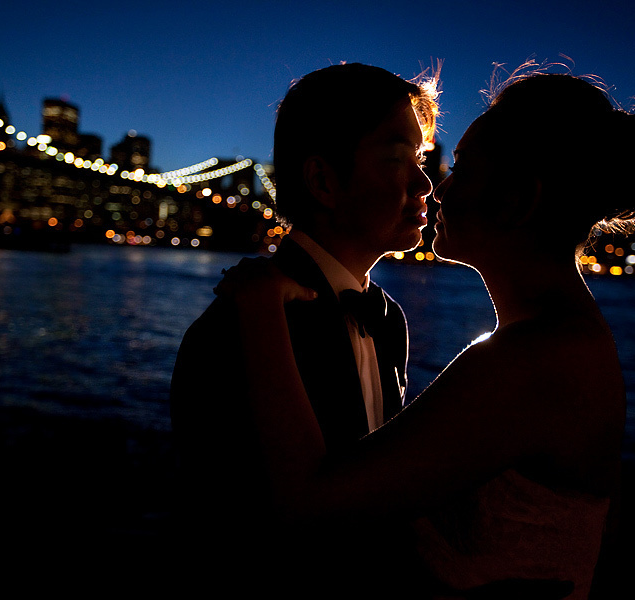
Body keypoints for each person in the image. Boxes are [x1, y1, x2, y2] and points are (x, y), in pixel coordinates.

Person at [217, 69, 635, 599]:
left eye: (461, 169)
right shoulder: (564, 342)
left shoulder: (531, 360)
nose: (437, 187)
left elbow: (308, 504)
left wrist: (258, 308)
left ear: (515, 201)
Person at [169, 63, 439, 586]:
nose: (425, 182)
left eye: (421, 158)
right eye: (397, 158)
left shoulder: (388, 318)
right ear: (323, 181)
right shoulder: (234, 331)